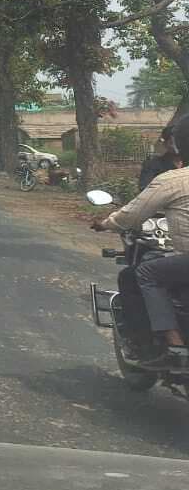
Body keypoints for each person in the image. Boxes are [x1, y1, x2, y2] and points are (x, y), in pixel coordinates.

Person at [92, 118, 189, 369]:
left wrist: (105, 224)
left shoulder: (174, 179)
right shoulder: (157, 167)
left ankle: (174, 344)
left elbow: (131, 214)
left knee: (142, 274)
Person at [138, 124, 179, 191]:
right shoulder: (153, 164)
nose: (176, 146)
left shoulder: (186, 165)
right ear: (165, 144)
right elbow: (145, 189)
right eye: (172, 142)